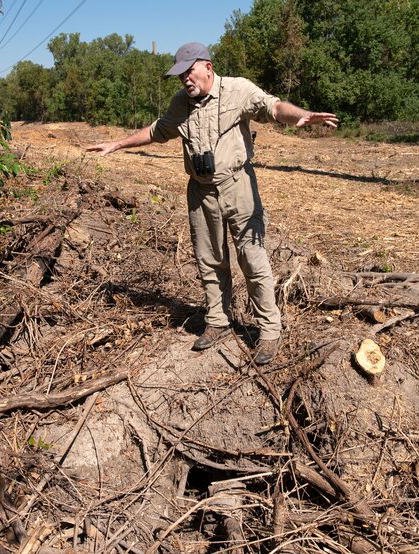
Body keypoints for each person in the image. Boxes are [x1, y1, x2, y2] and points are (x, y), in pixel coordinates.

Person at [88, 42, 337, 365]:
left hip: (238, 185)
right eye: (180, 77)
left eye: (189, 72)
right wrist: (117, 144)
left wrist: (301, 116)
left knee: (251, 257)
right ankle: (218, 321)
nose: (185, 81)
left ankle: (269, 330)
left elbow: (274, 108)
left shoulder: (237, 89)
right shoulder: (181, 103)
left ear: (207, 66)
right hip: (201, 192)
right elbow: (157, 130)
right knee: (209, 259)